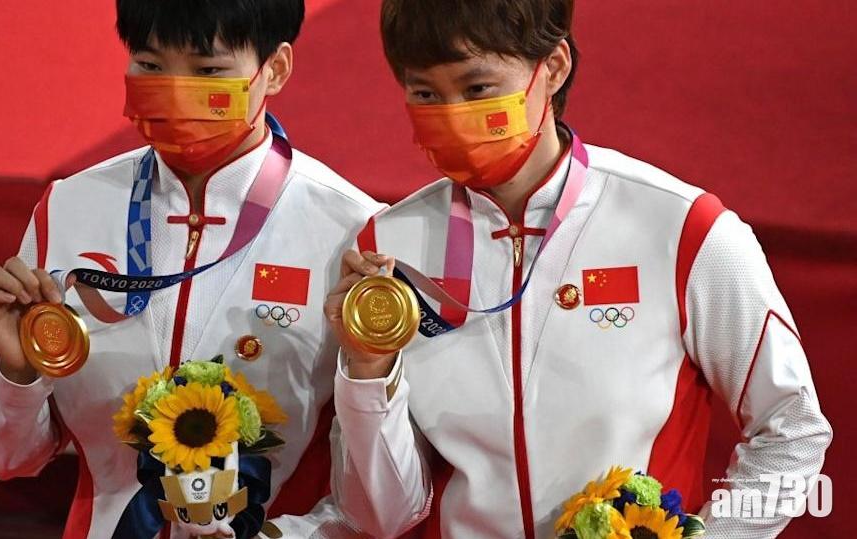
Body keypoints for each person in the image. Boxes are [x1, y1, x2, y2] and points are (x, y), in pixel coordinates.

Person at [324, 1, 833, 537]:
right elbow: (383, 515)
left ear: (554, 66)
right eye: (426, 94)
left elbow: (793, 431)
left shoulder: (681, 228)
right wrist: (367, 372)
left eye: (477, 89)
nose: (452, 115)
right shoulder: (387, 248)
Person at [0, 1, 380, 537]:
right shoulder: (71, 207)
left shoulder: (349, 228)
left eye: (208, 70)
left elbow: (377, 501)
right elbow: (6, 458)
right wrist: (18, 374)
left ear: (275, 69)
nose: (175, 90)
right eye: (149, 65)